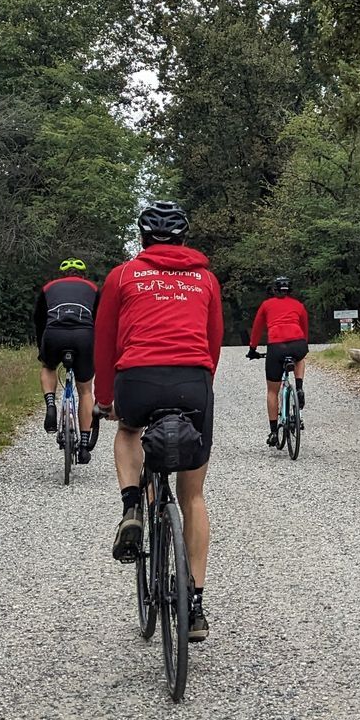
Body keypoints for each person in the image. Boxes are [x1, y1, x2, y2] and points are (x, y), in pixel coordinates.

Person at [93, 200, 224, 640]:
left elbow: (105, 340)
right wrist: (201, 388)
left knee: (128, 430)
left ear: (143, 238)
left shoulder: (122, 275)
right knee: (194, 497)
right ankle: (195, 604)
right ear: (184, 239)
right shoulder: (206, 279)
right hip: (192, 382)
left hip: (138, 379)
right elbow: (214, 342)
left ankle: (132, 505)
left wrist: (106, 399)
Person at [33, 258, 99, 462]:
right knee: (85, 391)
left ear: (62, 275)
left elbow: (39, 320)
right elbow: (100, 319)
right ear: (83, 275)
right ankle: (85, 445)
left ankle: (50, 404)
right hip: (84, 336)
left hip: (54, 334)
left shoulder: (49, 287)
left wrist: (42, 347)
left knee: (48, 367)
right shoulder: (93, 288)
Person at [245, 276, 310, 446]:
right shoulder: (298, 305)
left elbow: (257, 328)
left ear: (274, 290)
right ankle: (299, 387)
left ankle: (274, 432)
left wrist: (252, 349)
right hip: (298, 343)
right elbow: (304, 328)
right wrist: (303, 344)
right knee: (300, 358)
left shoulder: (266, 305)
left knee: (272, 392)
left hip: (276, 347)